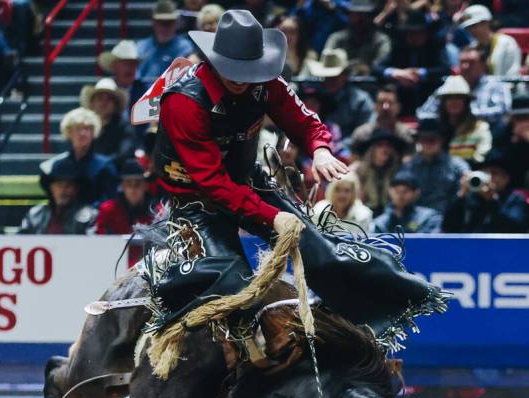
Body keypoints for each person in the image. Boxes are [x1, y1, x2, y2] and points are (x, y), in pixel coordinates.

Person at [151, 9, 353, 325]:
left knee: (319, 249)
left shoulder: (267, 81)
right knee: (233, 285)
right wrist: (273, 216)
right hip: (195, 202)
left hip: (246, 179)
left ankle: (347, 322)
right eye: (233, 69)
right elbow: (212, 183)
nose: (241, 78)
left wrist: (321, 150)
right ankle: (172, 312)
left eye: (248, 70)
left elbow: (304, 123)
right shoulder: (184, 101)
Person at [374, 10, 450, 115]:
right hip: (401, 96)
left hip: (428, 93)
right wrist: (396, 73)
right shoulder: (399, 48)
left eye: (418, 33)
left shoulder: (435, 47)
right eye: (410, 33)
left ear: (425, 33)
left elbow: (445, 69)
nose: (413, 37)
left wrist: (419, 73)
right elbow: (376, 68)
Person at [417, 45, 511, 128]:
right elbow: (423, 113)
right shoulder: (450, 85)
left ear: (483, 64)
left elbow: (502, 112)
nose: (465, 66)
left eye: (471, 62)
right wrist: (445, 117)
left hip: (487, 134)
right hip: (452, 136)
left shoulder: (495, 85)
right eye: (462, 62)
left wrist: (464, 116)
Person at [40, 108, 118, 205]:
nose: (82, 133)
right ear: (69, 133)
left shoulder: (105, 166)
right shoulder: (59, 166)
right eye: (78, 128)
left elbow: (109, 202)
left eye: (87, 129)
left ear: (93, 133)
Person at [442, 148, 528, 232]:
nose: (488, 177)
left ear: (506, 179)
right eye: (484, 172)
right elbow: (448, 227)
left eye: (494, 173)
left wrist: (492, 200)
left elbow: (515, 227)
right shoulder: (471, 198)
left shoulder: (515, 199)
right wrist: (461, 195)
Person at [307, 49, 374, 146]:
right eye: (327, 76)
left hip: (351, 149)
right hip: (316, 146)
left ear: (345, 75)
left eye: (335, 76)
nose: (330, 81)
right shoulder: (314, 98)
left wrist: (340, 146)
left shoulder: (361, 100)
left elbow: (367, 129)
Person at [95, 159, 154, 265]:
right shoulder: (108, 210)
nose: (133, 189)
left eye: (137, 184)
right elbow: (100, 242)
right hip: (113, 264)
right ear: (122, 186)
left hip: (148, 267)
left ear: (145, 186)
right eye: (128, 184)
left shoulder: (155, 212)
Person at [404, 118, 469, 212]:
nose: (428, 143)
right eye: (423, 139)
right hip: (416, 220)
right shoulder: (409, 166)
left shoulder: (457, 165)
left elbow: (467, 179)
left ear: (442, 140)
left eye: (432, 139)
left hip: (448, 217)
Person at [19, 159, 97, 234]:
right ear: (50, 188)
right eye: (59, 185)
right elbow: (20, 241)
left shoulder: (89, 215)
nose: (63, 190)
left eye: (68, 185)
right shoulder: (34, 214)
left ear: (76, 189)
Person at [323, 0, 392, 77]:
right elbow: (327, 62)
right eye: (356, 14)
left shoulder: (381, 40)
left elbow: (380, 66)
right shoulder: (337, 38)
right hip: (339, 82)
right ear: (349, 16)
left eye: (365, 15)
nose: (360, 19)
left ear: (371, 17)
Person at [137, 0, 196, 86]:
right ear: (153, 22)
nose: (164, 27)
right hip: (143, 95)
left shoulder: (185, 48)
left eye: (168, 23)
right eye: (160, 22)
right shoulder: (141, 47)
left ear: (176, 23)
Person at [80, 77, 136, 167]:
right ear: (92, 103)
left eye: (109, 99)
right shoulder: (84, 126)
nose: (104, 103)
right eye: (100, 98)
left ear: (116, 105)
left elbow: (124, 153)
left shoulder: (124, 126)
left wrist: (100, 164)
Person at [437, 74, 492, 163]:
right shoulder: (435, 128)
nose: (454, 102)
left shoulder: (479, 128)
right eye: (449, 98)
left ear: (467, 102)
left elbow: (483, 155)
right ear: (443, 102)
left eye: (458, 97)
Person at [349, 128, 405, 216]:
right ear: (371, 149)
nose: (385, 149)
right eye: (380, 145)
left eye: (388, 145)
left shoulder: (398, 171)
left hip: (390, 215)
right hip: (363, 214)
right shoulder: (357, 170)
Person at [457, 4, 521, 78]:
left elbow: (512, 76)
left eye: (474, 26)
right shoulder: (472, 47)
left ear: (487, 22)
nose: (471, 30)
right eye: (468, 27)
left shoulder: (507, 43)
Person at [350, 83, 415, 153]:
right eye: (381, 102)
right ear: (375, 106)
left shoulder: (407, 133)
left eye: (390, 103)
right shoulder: (361, 134)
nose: (385, 107)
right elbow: (354, 159)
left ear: (398, 107)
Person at [371, 171, 442, 233]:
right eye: (396, 191)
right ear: (390, 191)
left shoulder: (428, 218)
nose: (400, 196)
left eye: (405, 191)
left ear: (416, 192)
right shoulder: (380, 223)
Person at [98, 40, 147, 118]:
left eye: (133, 64)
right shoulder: (105, 89)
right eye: (126, 64)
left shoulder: (144, 91)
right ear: (114, 66)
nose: (130, 68)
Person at [493, 93, 529, 189]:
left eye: (526, 117)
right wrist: (513, 143)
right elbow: (495, 159)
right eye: (519, 117)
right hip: (510, 185)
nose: (523, 122)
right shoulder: (503, 131)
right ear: (512, 117)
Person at [274, 14, 317, 80]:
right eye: (283, 31)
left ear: (299, 34)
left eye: (292, 32)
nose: (287, 36)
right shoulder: (269, 56)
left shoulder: (310, 55)